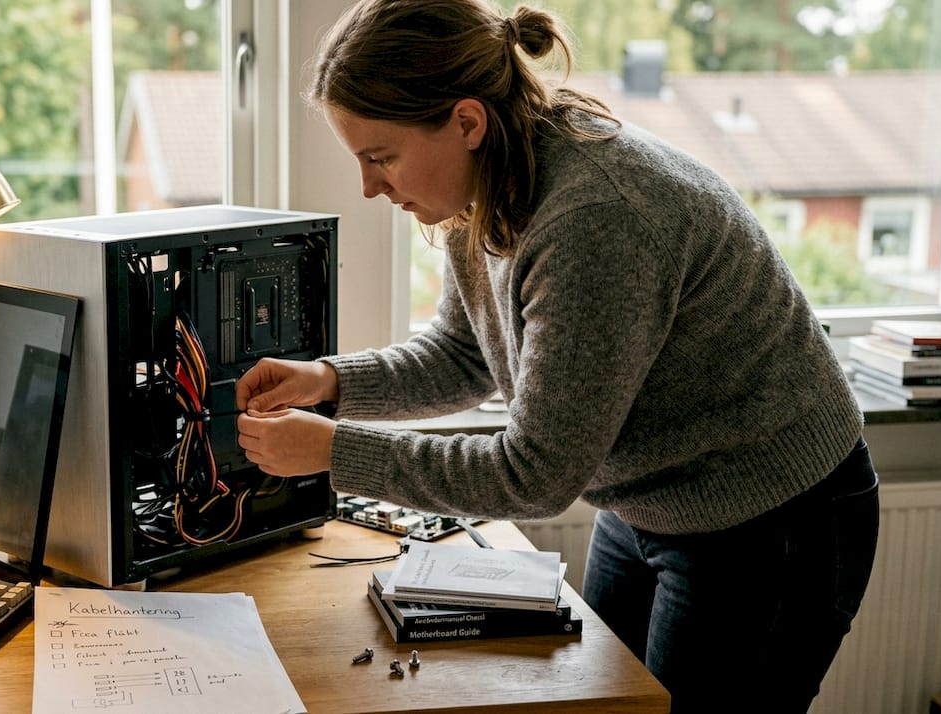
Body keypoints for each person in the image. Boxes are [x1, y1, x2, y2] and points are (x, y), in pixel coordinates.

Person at [233, 1, 880, 711]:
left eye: (381, 157)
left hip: (773, 520)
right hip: (650, 505)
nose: (369, 186)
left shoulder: (594, 219)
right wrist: (329, 381)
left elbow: (534, 474)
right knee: (597, 701)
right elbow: (463, 352)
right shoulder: (488, 182)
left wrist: (334, 452)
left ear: (467, 122)